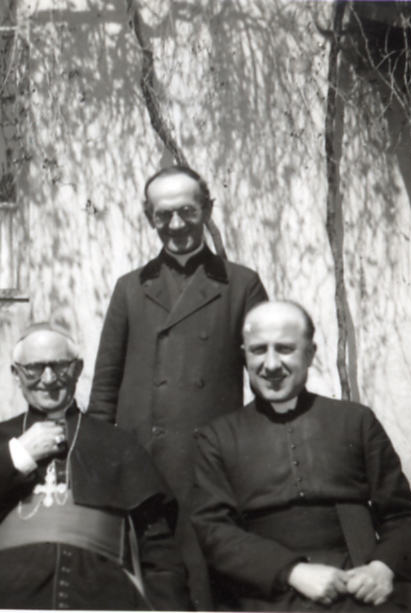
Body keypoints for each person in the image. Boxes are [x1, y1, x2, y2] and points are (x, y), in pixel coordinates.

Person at [89, 165, 268, 608]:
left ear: (207, 210)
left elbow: (267, 376)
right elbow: (105, 384)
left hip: (209, 463)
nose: (175, 226)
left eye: (187, 212)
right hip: (142, 462)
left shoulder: (241, 284)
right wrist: (94, 458)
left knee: (207, 580)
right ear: (149, 217)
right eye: (162, 215)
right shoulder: (129, 288)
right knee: (150, 578)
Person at [0, 323, 190, 610]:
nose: (48, 378)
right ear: (15, 374)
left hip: (97, 594)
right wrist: (16, 456)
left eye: (60, 366)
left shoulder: (119, 445)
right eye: (33, 368)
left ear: (78, 369)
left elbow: (159, 554)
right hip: (2, 594)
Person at [192, 301, 411, 611]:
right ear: (244, 355)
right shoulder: (217, 437)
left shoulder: (355, 421)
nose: (271, 365)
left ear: (311, 353)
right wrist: (292, 571)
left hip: (358, 583)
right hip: (264, 592)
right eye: (258, 350)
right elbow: (213, 531)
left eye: (285, 348)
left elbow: (405, 516)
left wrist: (382, 568)